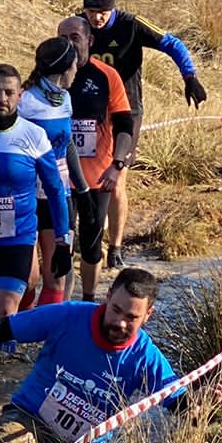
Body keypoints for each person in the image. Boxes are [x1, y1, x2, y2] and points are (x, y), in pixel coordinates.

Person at [0, 267, 184, 443]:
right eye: (115, 310)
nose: (120, 322)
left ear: (148, 315)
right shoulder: (69, 316)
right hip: (29, 420)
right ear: (107, 298)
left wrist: (203, 401)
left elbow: (178, 402)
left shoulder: (146, 357)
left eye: (131, 317)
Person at [80, 0, 203, 269]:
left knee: (116, 176)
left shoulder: (130, 24)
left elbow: (171, 43)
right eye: (90, 11)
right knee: (81, 175)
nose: (96, 18)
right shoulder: (78, 26)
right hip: (89, 111)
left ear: (112, 9)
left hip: (126, 111)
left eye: (102, 13)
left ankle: (116, 247)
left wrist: (190, 76)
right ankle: (87, 239)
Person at [0, 65, 71, 328]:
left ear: (20, 96)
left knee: (4, 313)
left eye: (9, 92)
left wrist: (63, 241)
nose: (2, 99)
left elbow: (54, 189)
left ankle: (12, 370)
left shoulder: (34, 135)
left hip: (18, 239)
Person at [55, 16, 135, 299]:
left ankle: (88, 301)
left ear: (89, 40)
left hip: (97, 178)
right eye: (62, 38)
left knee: (90, 245)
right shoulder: (47, 77)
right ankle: (62, 305)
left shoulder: (106, 76)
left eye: (74, 37)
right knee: (61, 243)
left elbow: (126, 124)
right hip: (59, 179)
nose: (68, 44)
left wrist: (118, 164)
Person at [18, 38, 78, 308]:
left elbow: (67, 146)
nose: (77, 70)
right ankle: (21, 328)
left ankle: (46, 340)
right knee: (28, 278)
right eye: (76, 64)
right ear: (66, 68)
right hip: (28, 195)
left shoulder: (66, 98)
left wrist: (83, 187)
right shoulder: (25, 101)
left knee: (57, 275)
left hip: (59, 194)